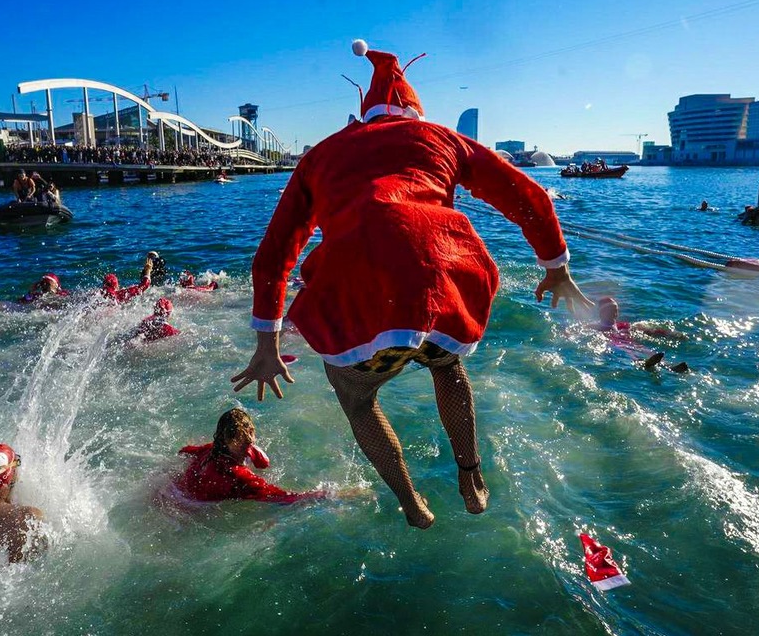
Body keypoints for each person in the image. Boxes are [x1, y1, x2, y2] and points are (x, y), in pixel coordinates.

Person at [232, 40, 591, 529]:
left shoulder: (322, 155)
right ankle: (471, 477)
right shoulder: (444, 139)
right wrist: (556, 266)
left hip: (356, 285)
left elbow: (275, 255)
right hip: (440, 278)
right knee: (448, 370)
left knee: (358, 399)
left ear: (365, 113)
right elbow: (527, 196)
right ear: (415, 111)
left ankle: (410, 501)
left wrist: (267, 343)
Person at [174, 408, 329, 503]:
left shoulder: (212, 449)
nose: (249, 442)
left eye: (250, 436)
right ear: (226, 440)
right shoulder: (236, 475)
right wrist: (326, 494)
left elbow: (185, 450)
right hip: (193, 505)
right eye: (242, 442)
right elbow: (281, 497)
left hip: (179, 488)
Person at [592, 297, 688, 372]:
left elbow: (648, 330)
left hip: (630, 342)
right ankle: (643, 364)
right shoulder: (596, 326)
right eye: (611, 310)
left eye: (616, 310)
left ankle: (670, 367)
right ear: (602, 313)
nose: (614, 313)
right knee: (630, 352)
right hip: (616, 344)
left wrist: (668, 333)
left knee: (647, 351)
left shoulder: (623, 325)